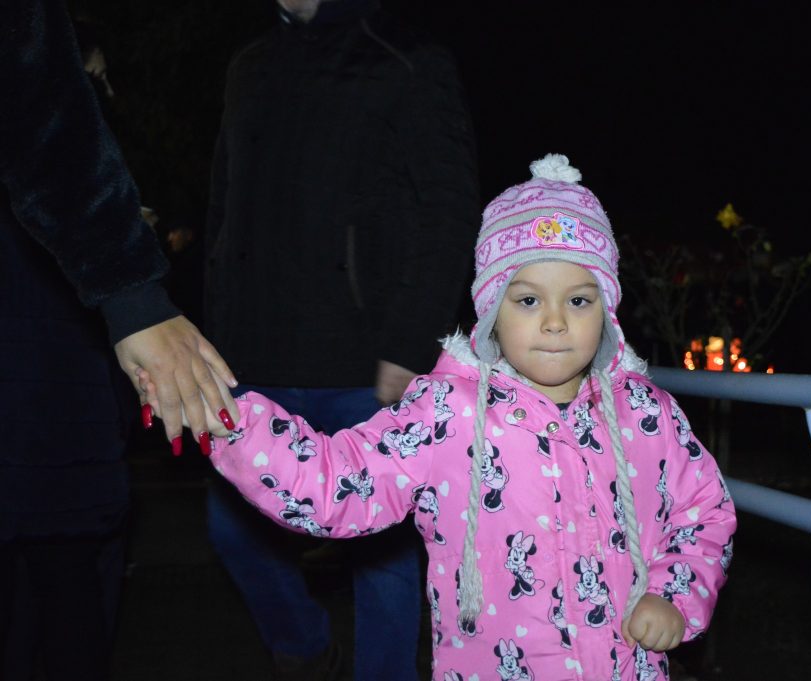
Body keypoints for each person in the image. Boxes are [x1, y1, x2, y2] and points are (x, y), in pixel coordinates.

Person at [157, 154, 737, 680]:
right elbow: (337, 483)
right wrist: (230, 420)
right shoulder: (446, 414)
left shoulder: (646, 415)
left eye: (579, 300)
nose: (556, 321)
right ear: (491, 310)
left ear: (607, 309)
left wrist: (674, 594)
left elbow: (704, 511)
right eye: (528, 299)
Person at [198, 0, 479, 677]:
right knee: (232, 529)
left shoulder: (408, 56)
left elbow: (449, 207)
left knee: (381, 557)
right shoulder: (248, 65)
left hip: (366, 364)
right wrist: (211, 342)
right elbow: (224, 210)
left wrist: (410, 343)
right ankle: (305, 648)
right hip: (253, 361)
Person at [0, 2, 235, 679]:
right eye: (92, 78)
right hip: (55, 410)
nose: (103, 91)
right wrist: (132, 290)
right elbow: (49, 129)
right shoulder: (54, 143)